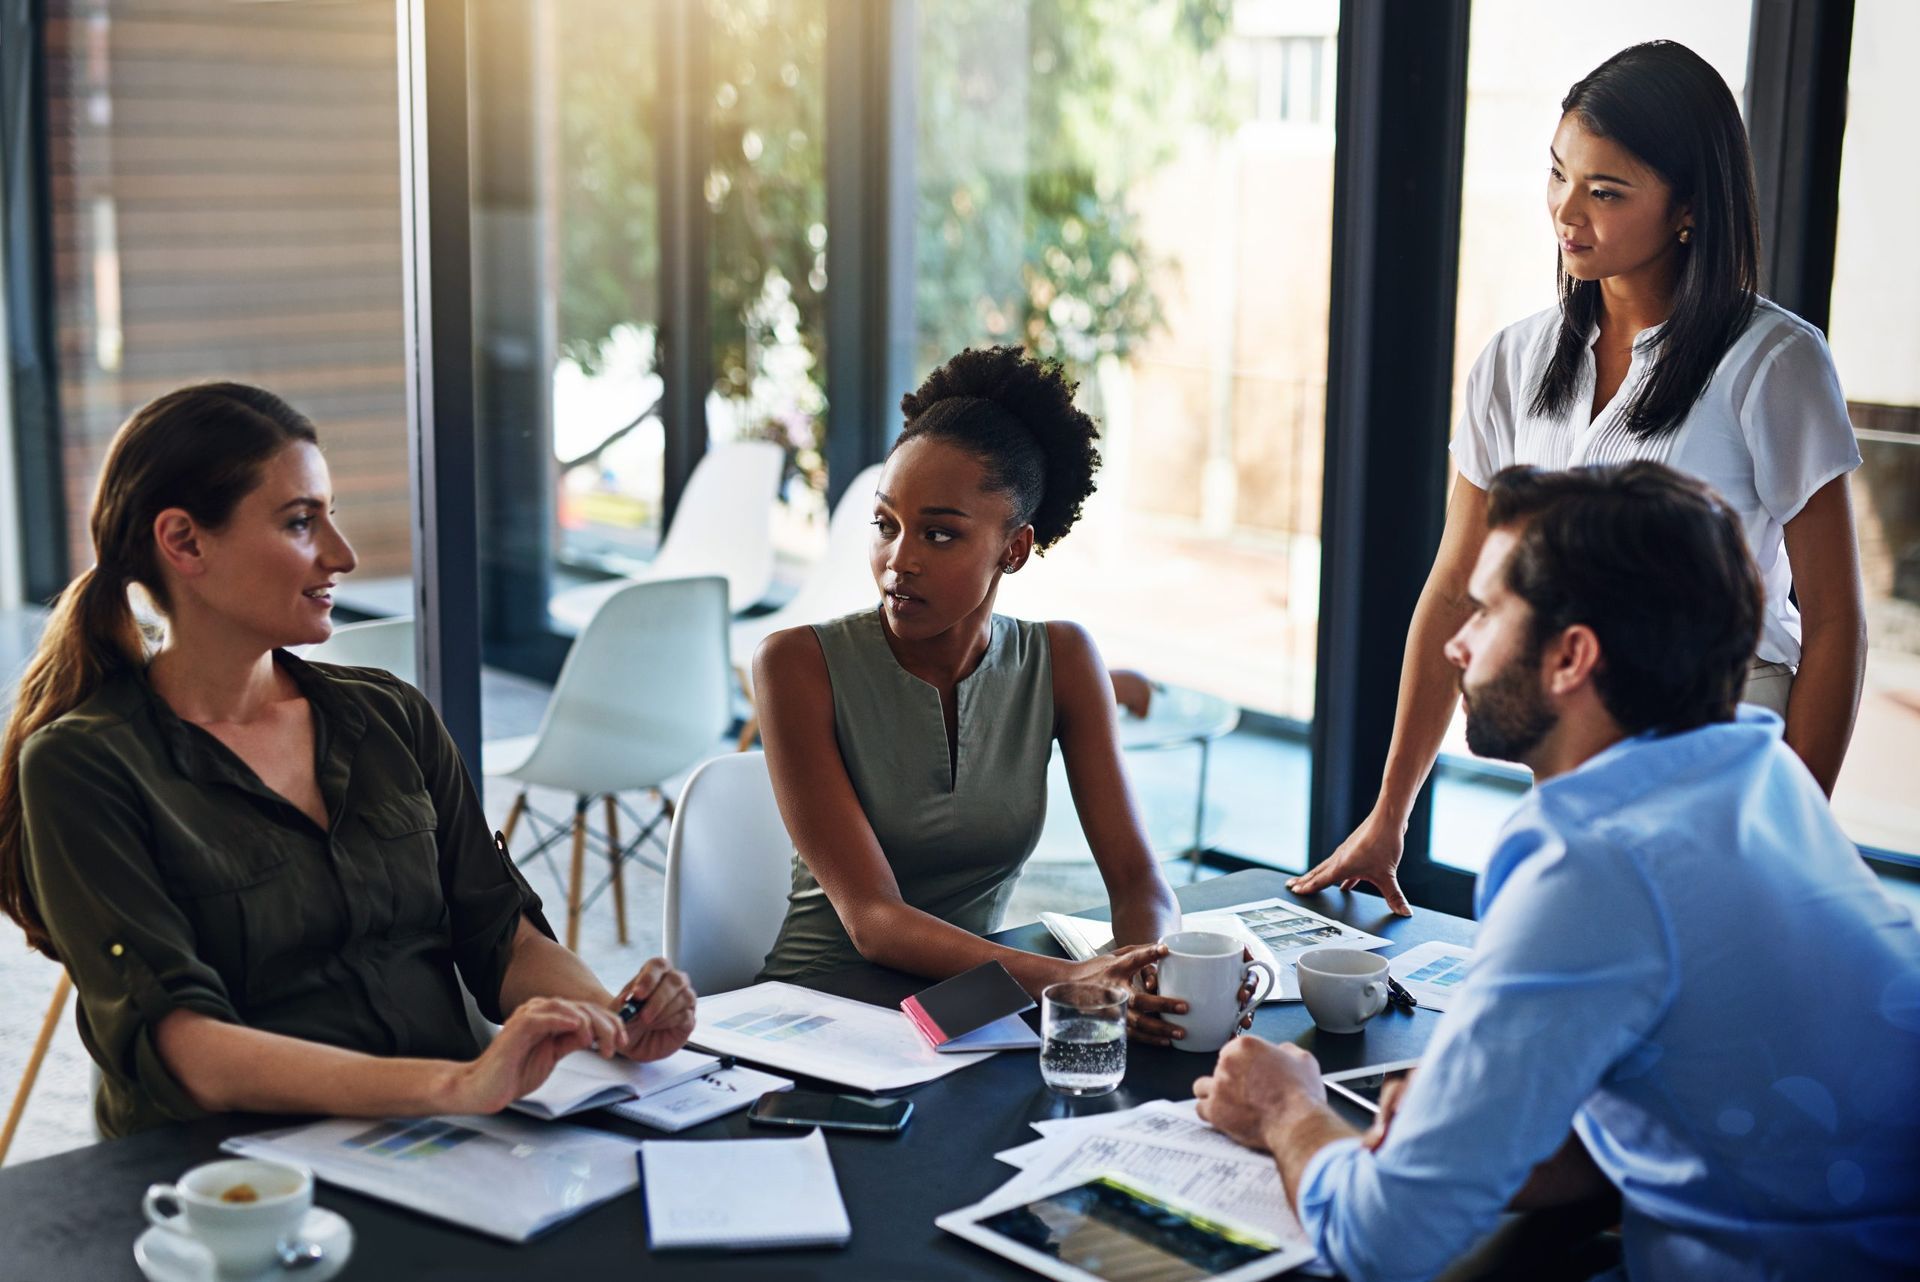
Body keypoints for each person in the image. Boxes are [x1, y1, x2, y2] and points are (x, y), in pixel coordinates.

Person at [1195, 462, 1920, 1281]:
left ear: (1572, 656)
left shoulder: (1593, 860)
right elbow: (1726, 1088)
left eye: (1489, 611)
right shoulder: (1760, 773)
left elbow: (1383, 1242)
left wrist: (1286, 1110)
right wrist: (1492, 1119)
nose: (1455, 643)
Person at [0, 383, 696, 1139]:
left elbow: (503, 934)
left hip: (455, 1135)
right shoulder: (83, 765)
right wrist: (458, 1083)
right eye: (302, 522)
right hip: (241, 1175)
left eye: (331, 515)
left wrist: (609, 1021)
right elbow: (186, 1046)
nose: (343, 554)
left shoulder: (388, 715)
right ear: (185, 542)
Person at [1293, 40, 1866, 916]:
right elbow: (1454, 591)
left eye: (1606, 192)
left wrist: (1787, 836)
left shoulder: (1774, 363)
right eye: (1558, 174)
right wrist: (1388, 818)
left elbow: (1833, 622)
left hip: (1720, 749)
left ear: (1688, 209)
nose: (1568, 211)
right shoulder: (1513, 362)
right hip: (1573, 735)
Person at [753, 346, 1194, 1043]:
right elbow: (873, 921)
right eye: (885, 525)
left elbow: (1140, 881)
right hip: (819, 1016)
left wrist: (1146, 967)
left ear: (1012, 551)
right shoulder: (795, 664)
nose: (900, 559)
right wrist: (1071, 983)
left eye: (939, 534)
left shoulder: (1065, 659)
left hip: (973, 1018)